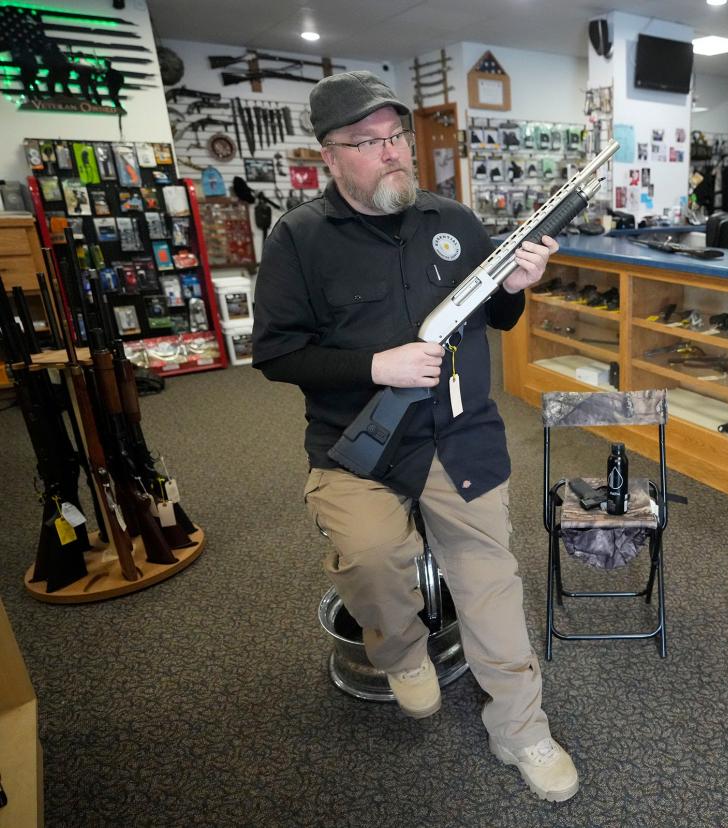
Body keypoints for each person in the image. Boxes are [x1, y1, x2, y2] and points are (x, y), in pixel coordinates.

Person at [252, 71, 578, 802]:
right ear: (329, 156)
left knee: (491, 581)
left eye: (397, 136)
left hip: (458, 435)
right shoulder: (299, 238)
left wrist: (517, 287)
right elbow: (275, 354)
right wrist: (377, 364)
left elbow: (491, 318)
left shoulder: (455, 220)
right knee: (370, 557)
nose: (393, 152)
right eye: (369, 143)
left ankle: (522, 729)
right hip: (354, 443)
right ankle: (400, 652)